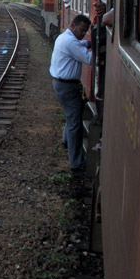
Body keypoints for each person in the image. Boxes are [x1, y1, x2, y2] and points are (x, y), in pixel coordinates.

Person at [49, 14, 92, 172]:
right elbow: (89, 59)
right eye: (82, 30)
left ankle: (66, 141)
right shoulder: (70, 42)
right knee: (75, 123)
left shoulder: (64, 37)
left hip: (61, 84)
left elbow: (79, 44)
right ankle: (76, 163)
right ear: (73, 26)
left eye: (85, 31)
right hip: (67, 86)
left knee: (72, 114)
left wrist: (87, 42)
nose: (83, 33)